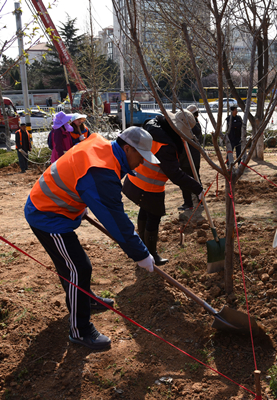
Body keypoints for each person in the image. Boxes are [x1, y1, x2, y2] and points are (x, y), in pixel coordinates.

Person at [25, 127, 158, 350]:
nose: (142, 163)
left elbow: (78, 174)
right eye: (140, 157)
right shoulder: (102, 171)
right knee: (78, 269)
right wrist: (141, 254)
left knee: (75, 268)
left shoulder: (102, 146)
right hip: (47, 215)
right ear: (127, 149)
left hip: (59, 207)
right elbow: (116, 221)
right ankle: (80, 330)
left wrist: (81, 198)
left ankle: (84, 298)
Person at [122, 111, 204, 265]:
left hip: (135, 179)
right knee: (153, 216)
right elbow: (175, 175)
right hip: (150, 185)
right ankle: (150, 254)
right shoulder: (166, 145)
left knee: (145, 211)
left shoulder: (153, 128)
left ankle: (143, 251)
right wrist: (197, 188)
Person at [178, 104, 204, 210]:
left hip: (187, 159)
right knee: (196, 179)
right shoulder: (197, 126)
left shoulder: (189, 128)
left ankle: (188, 203)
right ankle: (200, 201)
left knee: (185, 181)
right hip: (195, 158)